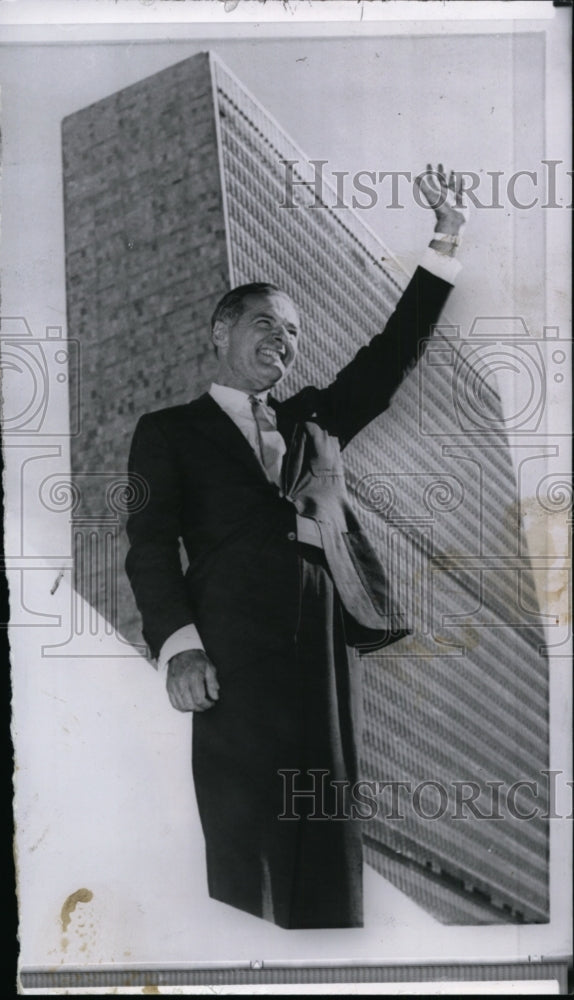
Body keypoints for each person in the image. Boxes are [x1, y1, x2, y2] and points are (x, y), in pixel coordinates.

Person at [125, 165, 468, 929]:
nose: (284, 342)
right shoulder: (169, 431)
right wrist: (180, 647)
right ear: (221, 332)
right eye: (267, 325)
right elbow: (148, 546)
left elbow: (389, 358)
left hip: (321, 647)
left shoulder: (314, 418)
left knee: (326, 834)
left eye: (294, 335)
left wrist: (444, 242)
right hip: (232, 650)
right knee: (244, 845)